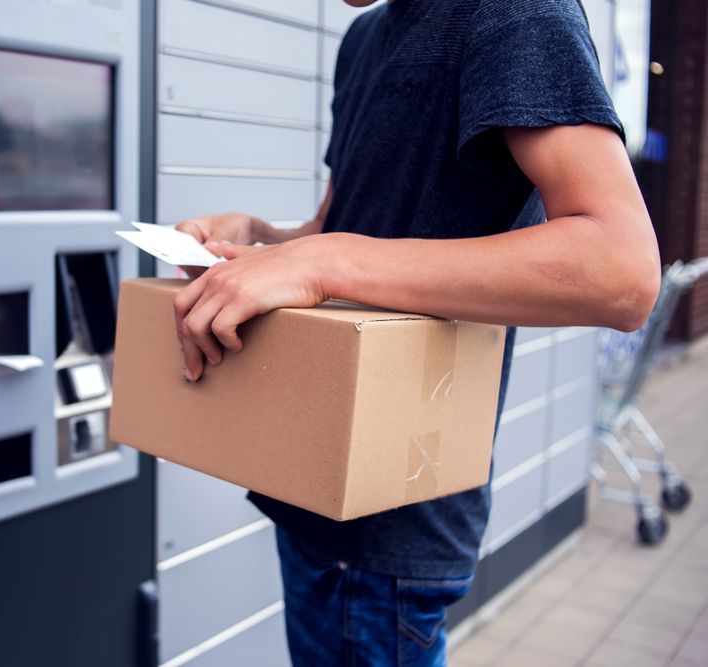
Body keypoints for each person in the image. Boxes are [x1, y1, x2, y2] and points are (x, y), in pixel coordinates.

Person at [172, 0, 662, 665]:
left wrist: (323, 260)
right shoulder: (365, 35)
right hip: (308, 481)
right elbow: (345, 222)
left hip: (394, 515)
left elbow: (622, 272)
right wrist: (267, 240)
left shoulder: (516, 13)